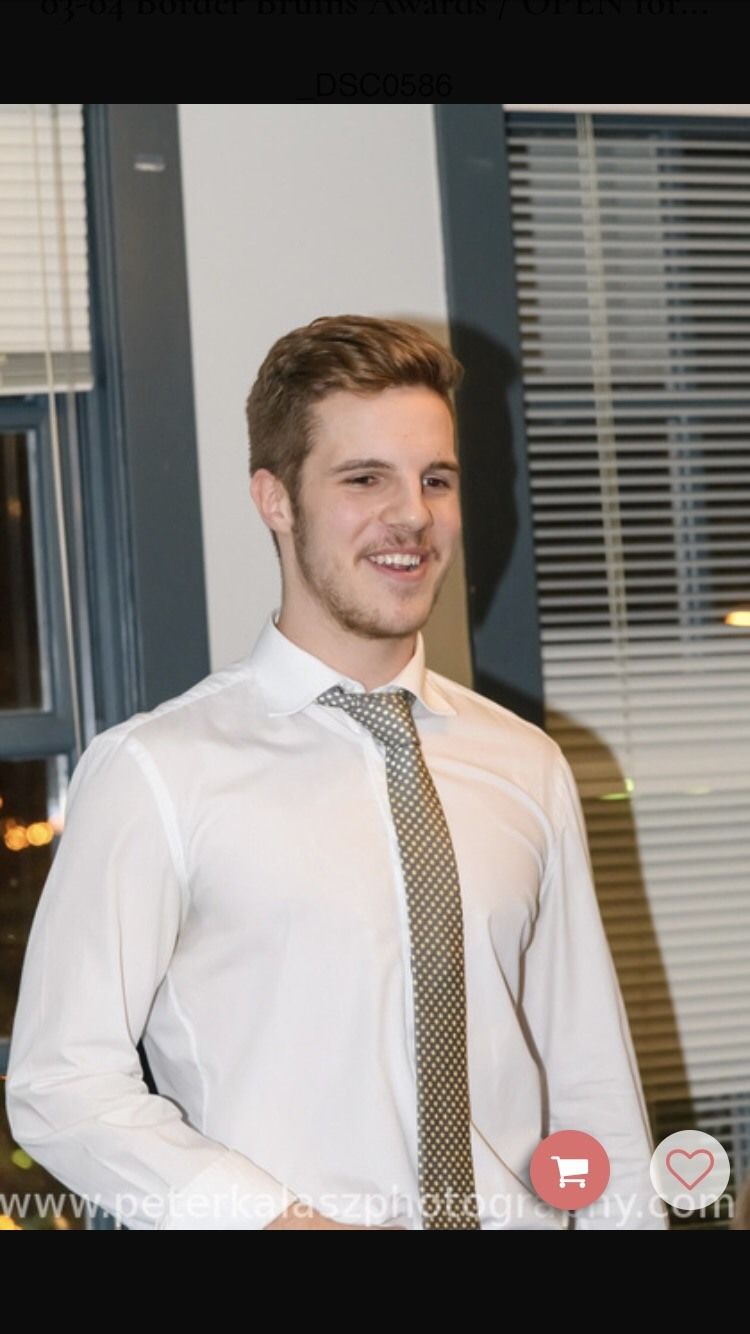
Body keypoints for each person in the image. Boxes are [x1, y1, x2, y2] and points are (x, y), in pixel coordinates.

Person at [5, 314, 667, 1230]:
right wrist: (276, 1224)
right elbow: (61, 1084)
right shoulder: (158, 772)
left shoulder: (527, 763)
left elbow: (588, 1081)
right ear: (275, 500)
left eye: (436, 479)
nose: (413, 515)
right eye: (365, 479)